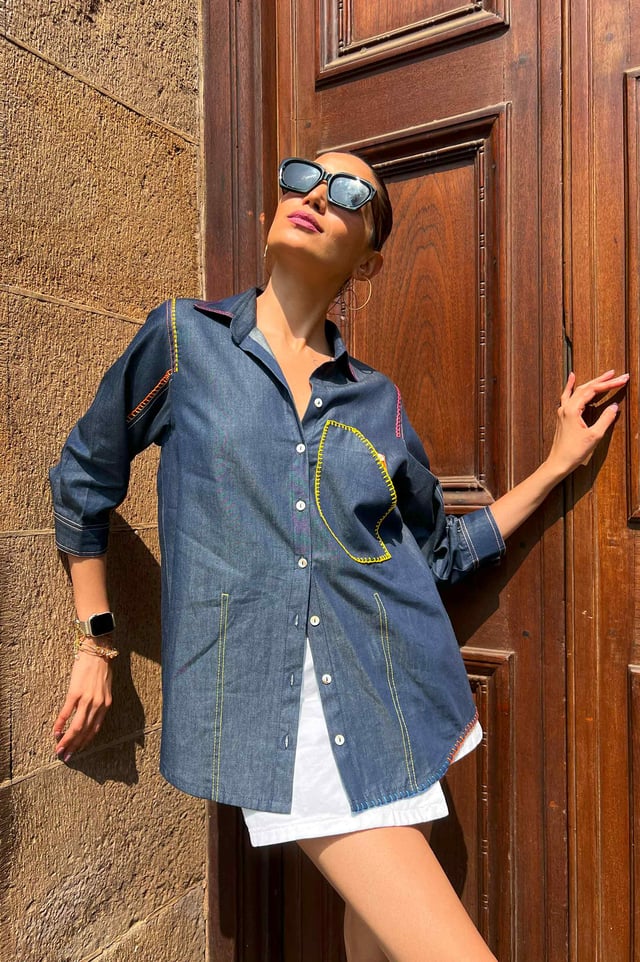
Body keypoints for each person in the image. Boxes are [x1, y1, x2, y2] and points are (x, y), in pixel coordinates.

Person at [49, 151, 627, 962]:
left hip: (388, 701)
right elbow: (84, 478)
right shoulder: (183, 341)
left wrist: (558, 464)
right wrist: (97, 638)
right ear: (270, 216)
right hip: (281, 718)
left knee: (379, 943)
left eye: (350, 194)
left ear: (369, 260)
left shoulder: (377, 401)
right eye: (301, 179)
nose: (317, 195)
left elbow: (441, 552)